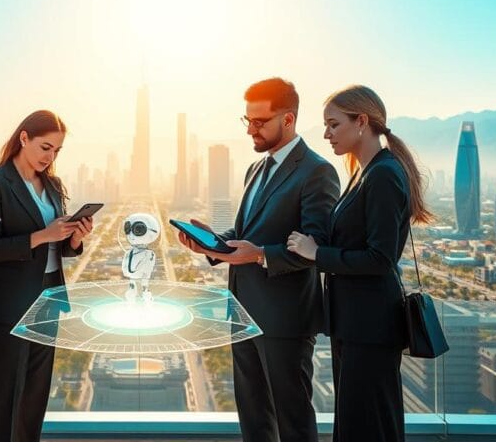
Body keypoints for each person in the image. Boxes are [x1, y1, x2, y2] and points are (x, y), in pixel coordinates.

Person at [177, 78, 339, 442]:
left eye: (259, 122)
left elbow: (318, 246)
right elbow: (245, 233)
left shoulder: (317, 171)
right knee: (253, 420)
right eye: (247, 120)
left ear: (288, 119)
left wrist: (262, 255)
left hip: (284, 321)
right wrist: (212, 245)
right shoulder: (256, 168)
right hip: (242, 315)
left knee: (292, 422)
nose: (250, 129)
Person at [287, 84, 434, 442]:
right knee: (358, 425)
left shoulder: (383, 174)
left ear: (362, 122)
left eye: (334, 124)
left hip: (370, 327)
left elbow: (380, 258)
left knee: (368, 427)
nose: (326, 134)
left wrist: (317, 254)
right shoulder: (365, 171)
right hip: (354, 325)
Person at [0, 110, 94, 442]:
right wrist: (43, 235)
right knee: (5, 396)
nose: (50, 157)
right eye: (45, 147)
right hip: (8, 301)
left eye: (56, 150)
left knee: (35, 395)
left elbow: (60, 247)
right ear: (23, 138)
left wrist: (75, 237)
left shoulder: (53, 185)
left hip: (49, 296)